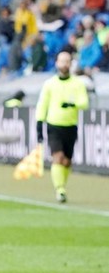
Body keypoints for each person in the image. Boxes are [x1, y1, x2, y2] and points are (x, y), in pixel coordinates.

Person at [35, 51, 89, 203]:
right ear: (57, 63)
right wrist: (39, 123)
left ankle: (62, 185)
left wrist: (72, 104)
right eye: (62, 61)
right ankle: (60, 189)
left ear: (71, 63)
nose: (64, 64)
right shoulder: (50, 84)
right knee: (57, 158)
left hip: (71, 126)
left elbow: (84, 103)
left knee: (67, 161)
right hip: (54, 125)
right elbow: (42, 104)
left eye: (67, 61)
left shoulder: (77, 83)